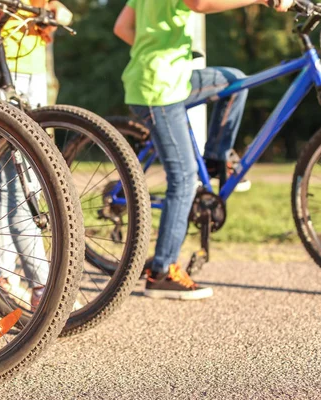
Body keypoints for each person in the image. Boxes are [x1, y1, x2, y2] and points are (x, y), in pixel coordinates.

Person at [113, 0, 293, 300]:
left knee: (235, 81)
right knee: (184, 179)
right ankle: (161, 272)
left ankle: (214, 159)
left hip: (169, 76)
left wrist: (158, 49)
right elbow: (200, 3)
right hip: (159, 88)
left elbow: (122, 28)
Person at [0, 1, 73, 309]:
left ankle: (3, 277)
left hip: (32, 63)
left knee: (19, 175)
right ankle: (42, 284)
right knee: (18, 174)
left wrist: (56, 12)